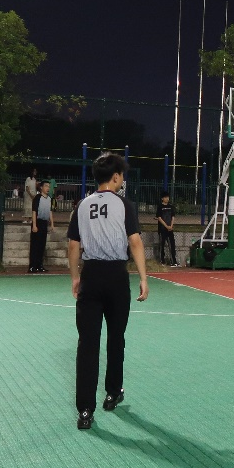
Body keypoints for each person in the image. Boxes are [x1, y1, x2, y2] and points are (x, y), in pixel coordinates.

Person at [66, 152, 148, 430]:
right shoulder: (125, 205)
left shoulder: (82, 205)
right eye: (122, 175)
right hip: (116, 276)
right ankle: (113, 392)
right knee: (116, 337)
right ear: (115, 177)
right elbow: (134, 242)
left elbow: (73, 245)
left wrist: (75, 277)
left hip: (90, 275)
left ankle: (85, 410)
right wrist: (143, 278)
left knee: (87, 343)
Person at [28, 180, 54, 273]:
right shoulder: (37, 198)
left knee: (42, 245)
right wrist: (34, 225)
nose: (48, 188)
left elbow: (50, 211)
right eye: (46, 186)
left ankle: (39, 265)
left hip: (44, 223)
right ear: (41, 187)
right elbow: (34, 211)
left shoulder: (49, 199)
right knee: (35, 245)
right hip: (37, 222)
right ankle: (32, 266)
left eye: (49, 186)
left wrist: (52, 224)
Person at [155, 190, 178, 267]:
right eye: (165, 197)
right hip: (162, 229)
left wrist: (171, 226)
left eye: (168, 197)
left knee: (172, 244)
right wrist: (166, 226)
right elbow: (159, 218)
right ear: (162, 198)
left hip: (170, 229)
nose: (167, 199)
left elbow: (173, 217)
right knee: (162, 245)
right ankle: (162, 260)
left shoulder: (171, 207)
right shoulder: (160, 207)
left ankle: (173, 261)